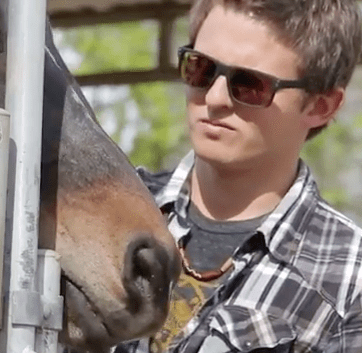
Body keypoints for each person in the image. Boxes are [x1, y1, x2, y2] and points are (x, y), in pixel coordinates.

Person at [114, 0, 362, 352]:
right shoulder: (112, 206)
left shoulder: (350, 281)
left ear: (320, 106)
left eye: (249, 84)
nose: (214, 98)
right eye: (200, 68)